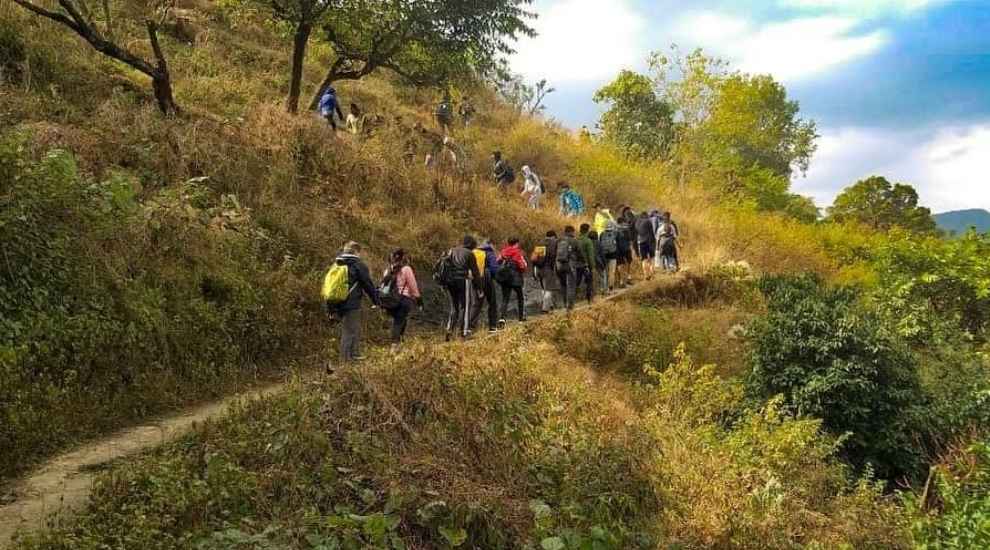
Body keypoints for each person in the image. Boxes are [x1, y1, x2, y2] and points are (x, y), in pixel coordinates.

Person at [329, 241, 379, 364]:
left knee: (352, 328)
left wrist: (330, 308)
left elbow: (330, 286)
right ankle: (345, 360)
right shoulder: (358, 265)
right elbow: (367, 284)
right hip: (351, 302)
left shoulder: (337, 264)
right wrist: (376, 300)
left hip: (336, 301)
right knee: (349, 330)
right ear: (356, 251)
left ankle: (354, 354)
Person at [442, 235, 482, 340]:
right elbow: (476, 273)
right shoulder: (469, 254)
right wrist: (479, 288)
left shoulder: (451, 250)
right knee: (465, 306)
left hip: (450, 281)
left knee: (454, 307)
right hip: (462, 281)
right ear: (471, 244)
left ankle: (449, 330)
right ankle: (463, 333)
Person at [381, 249, 421, 347]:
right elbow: (413, 285)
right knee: (399, 321)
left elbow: (383, 286)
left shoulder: (387, 270)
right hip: (404, 299)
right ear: (402, 257)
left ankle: (399, 342)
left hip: (390, 300)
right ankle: (395, 344)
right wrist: (418, 299)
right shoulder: (406, 269)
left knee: (400, 319)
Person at [470, 239, 500, 334]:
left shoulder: (474, 252)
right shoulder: (489, 252)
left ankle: (469, 327)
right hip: (486, 279)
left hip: (474, 279)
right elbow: (494, 268)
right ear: (491, 244)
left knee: (476, 304)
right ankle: (492, 327)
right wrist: (496, 277)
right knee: (492, 302)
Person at [497, 238, 528, 326]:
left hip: (505, 278)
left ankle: (502, 318)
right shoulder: (518, 252)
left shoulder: (503, 251)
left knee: (505, 298)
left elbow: (497, 261)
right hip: (516, 278)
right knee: (520, 297)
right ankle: (521, 318)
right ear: (517, 243)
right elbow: (522, 266)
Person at [532, 230, 560, 313]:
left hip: (538, 269)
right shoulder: (553, 243)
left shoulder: (540, 243)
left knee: (543, 288)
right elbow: (553, 257)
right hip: (548, 269)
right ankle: (545, 309)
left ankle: (550, 305)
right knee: (549, 289)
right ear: (554, 236)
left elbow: (535, 259)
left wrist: (534, 271)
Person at [555, 226, 580, 310]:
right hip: (570, 265)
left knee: (563, 285)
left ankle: (564, 303)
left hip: (559, 265)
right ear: (572, 232)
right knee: (571, 285)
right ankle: (570, 305)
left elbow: (555, 252)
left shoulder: (559, 240)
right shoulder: (574, 241)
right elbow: (580, 252)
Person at [575, 224, 596, 304]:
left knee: (577, 282)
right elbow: (590, 255)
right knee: (589, 281)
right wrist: (592, 266)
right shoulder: (588, 241)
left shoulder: (576, 240)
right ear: (588, 230)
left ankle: (574, 299)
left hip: (576, 265)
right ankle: (589, 299)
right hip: (586, 265)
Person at [635, 211, 657, 280]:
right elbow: (652, 232)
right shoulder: (648, 221)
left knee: (644, 259)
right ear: (645, 215)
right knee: (652, 258)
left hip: (641, 242)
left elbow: (636, 234)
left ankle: (646, 275)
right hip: (649, 241)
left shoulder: (637, 223)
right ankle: (652, 274)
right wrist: (654, 242)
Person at [599, 221, 620, 293]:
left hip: (604, 255)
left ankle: (604, 288)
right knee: (612, 272)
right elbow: (617, 244)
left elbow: (600, 244)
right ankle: (610, 287)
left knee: (605, 271)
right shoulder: (615, 233)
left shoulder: (602, 234)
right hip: (613, 255)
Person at [614, 214, 634, 288]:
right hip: (626, 248)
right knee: (629, 262)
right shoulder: (626, 228)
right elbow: (630, 239)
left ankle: (621, 281)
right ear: (622, 221)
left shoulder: (614, 229)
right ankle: (628, 277)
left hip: (618, 249)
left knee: (620, 264)